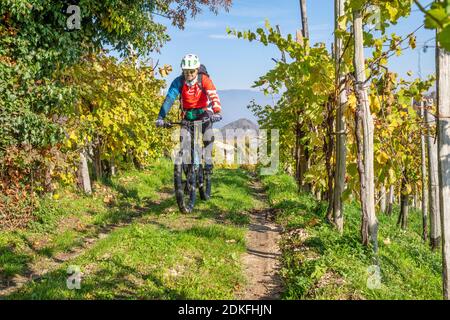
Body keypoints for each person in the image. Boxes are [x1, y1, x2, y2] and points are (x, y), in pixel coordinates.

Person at [155, 54, 222, 171]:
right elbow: (170, 99)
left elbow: (213, 95)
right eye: (186, 72)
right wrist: (161, 116)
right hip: (187, 115)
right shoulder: (179, 82)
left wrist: (216, 112)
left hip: (203, 112)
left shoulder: (204, 80)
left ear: (197, 70)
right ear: (182, 71)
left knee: (208, 134)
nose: (189, 75)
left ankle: (208, 160)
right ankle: (187, 170)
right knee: (184, 140)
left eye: (192, 71)